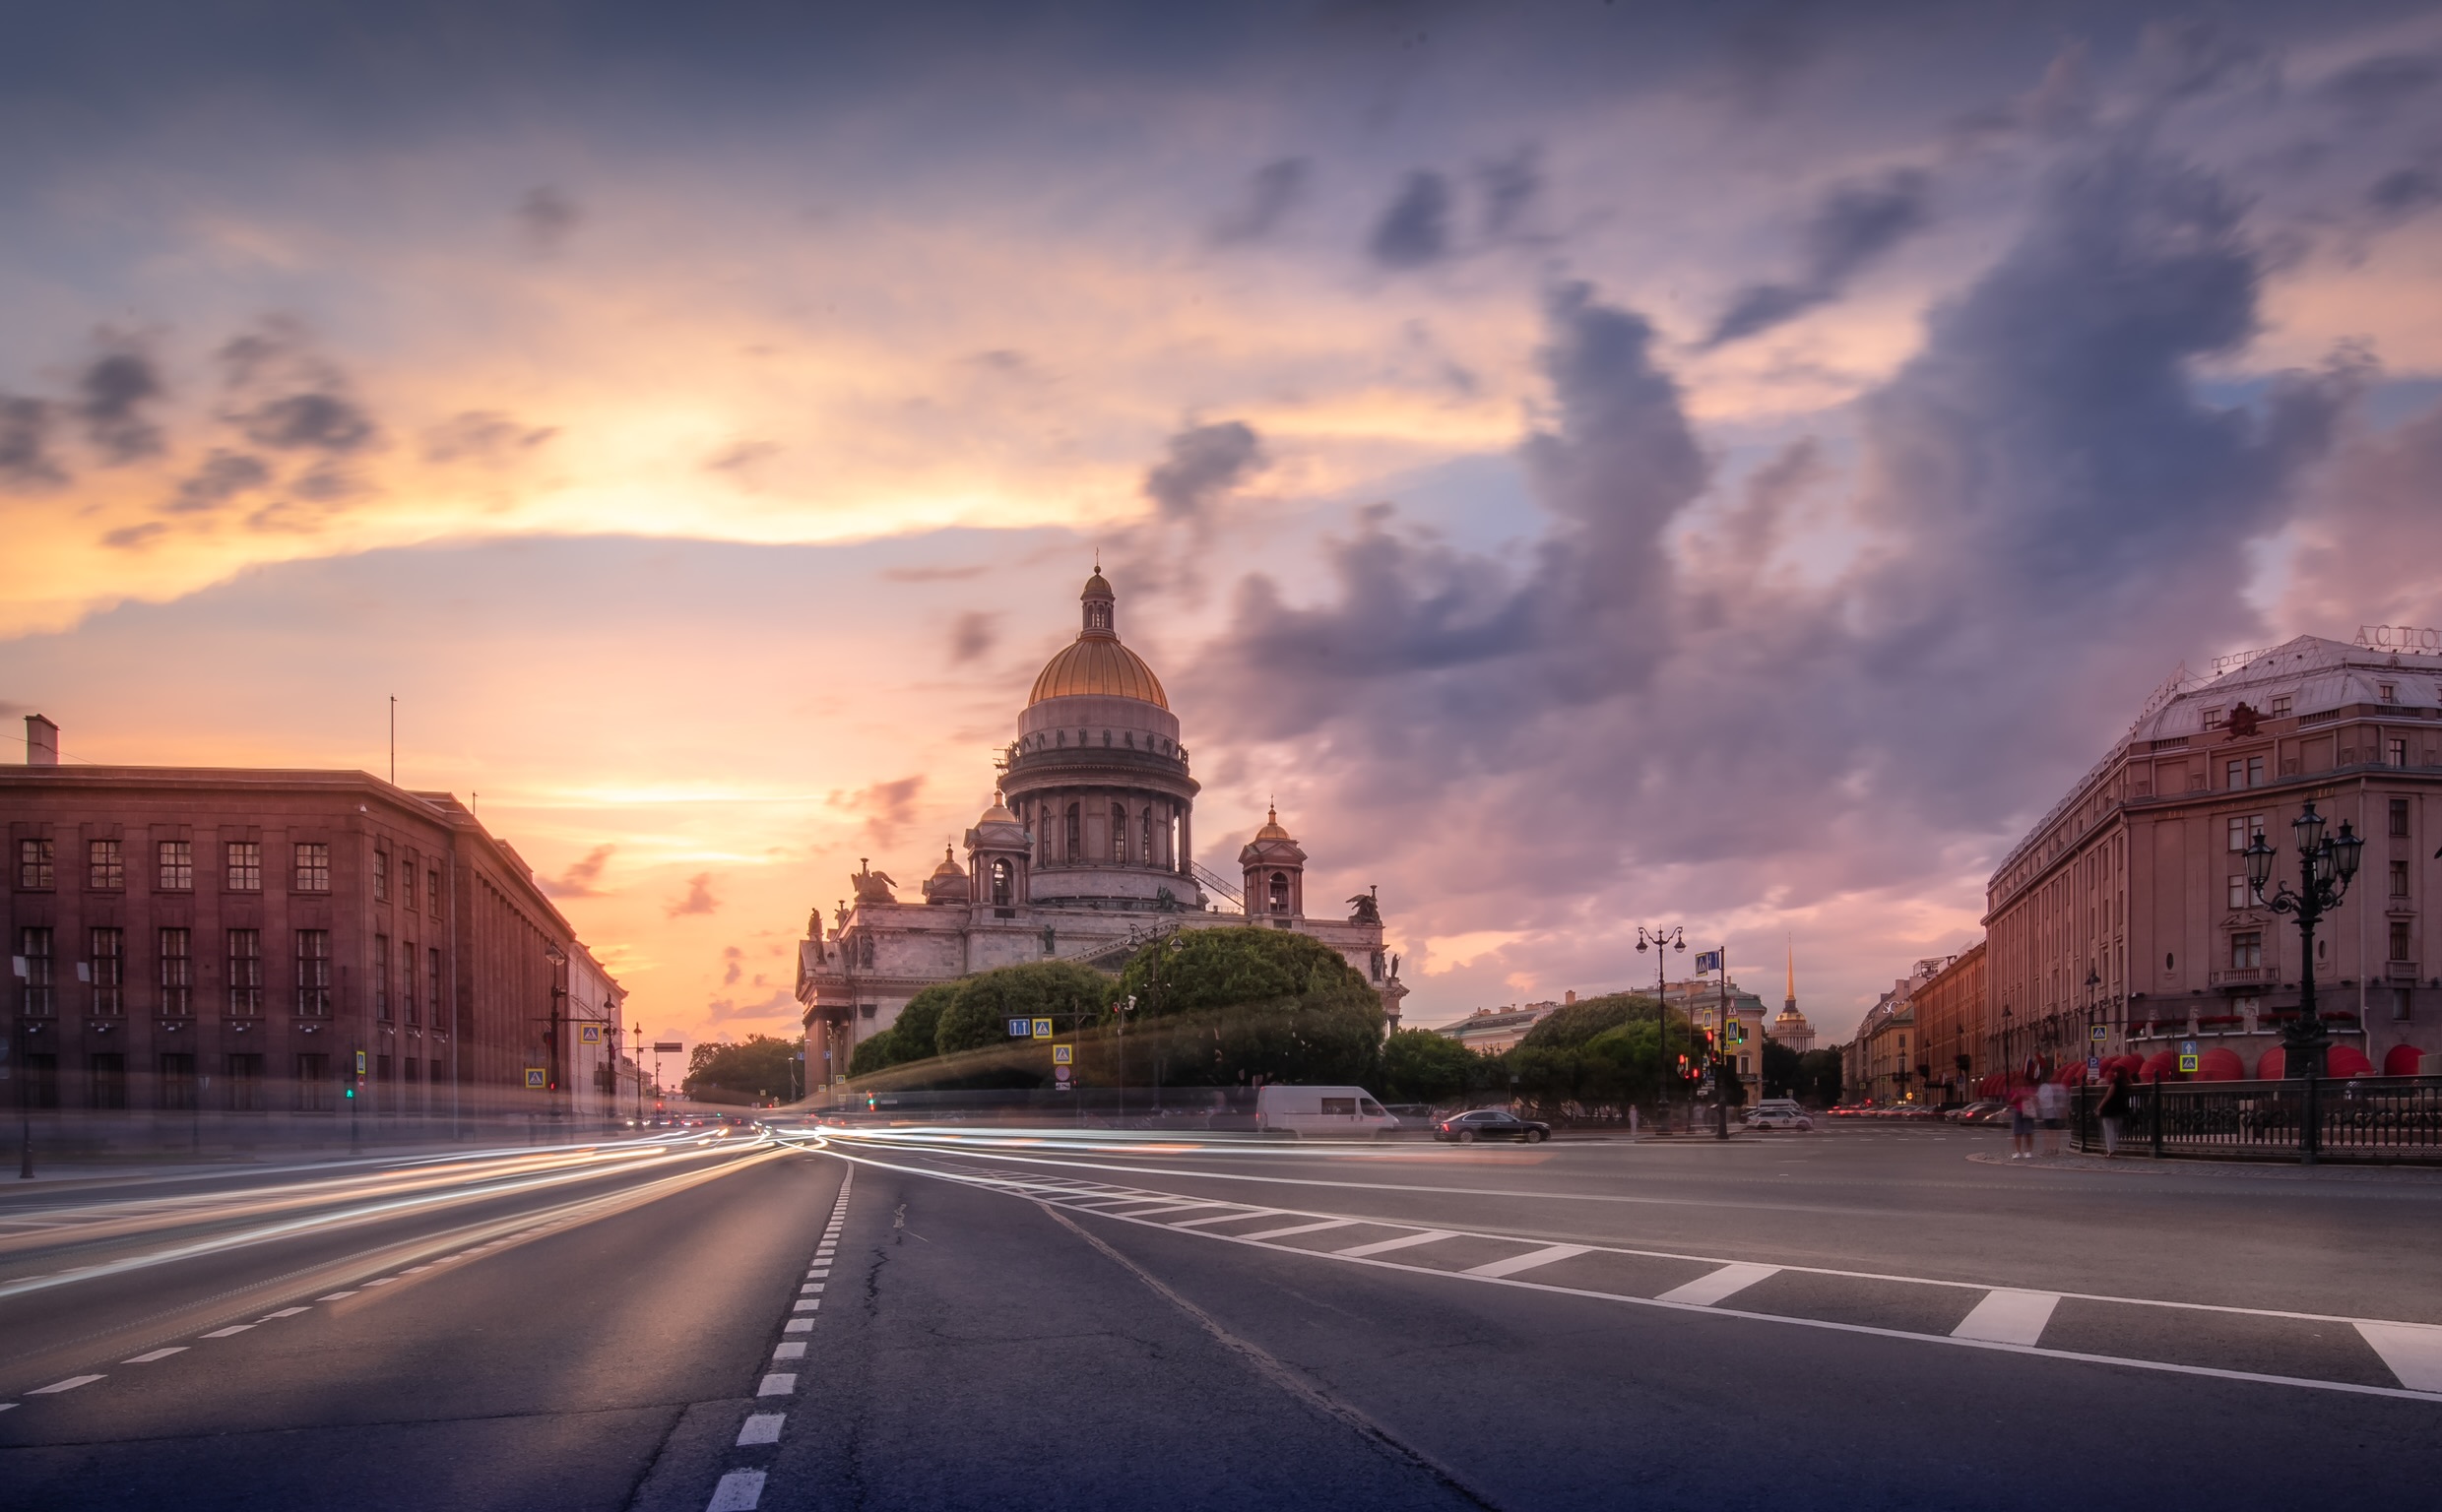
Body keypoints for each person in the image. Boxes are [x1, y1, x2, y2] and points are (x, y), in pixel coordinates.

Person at [2094, 1063, 2131, 1156]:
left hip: (2110, 1108)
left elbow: (2108, 1096)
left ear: (2117, 1073)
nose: (2114, 1073)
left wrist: (2099, 1107)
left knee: (2108, 1129)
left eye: (2115, 1071)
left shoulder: (2115, 1082)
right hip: (2120, 1108)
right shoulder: (2126, 1082)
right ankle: (2113, 1147)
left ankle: (2110, 1150)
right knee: (2115, 1130)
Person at [2008, 1067, 2038, 1160]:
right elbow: (2011, 1101)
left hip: (2028, 1112)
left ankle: (2028, 1151)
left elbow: (2036, 1100)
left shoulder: (2030, 1090)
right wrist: (2018, 1096)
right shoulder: (2014, 1090)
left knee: (2028, 1132)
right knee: (2017, 1133)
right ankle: (2018, 1151)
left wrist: (2030, 1097)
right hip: (2018, 1111)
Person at [2036, 1073, 2069, 1156]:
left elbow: (2040, 1099)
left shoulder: (2045, 1087)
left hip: (2048, 1111)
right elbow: (2065, 1100)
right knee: (2055, 1131)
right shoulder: (2061, 1087)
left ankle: (2049, 1149)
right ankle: (2055, 1148)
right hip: (2057, 1112)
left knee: (2048, 1131)